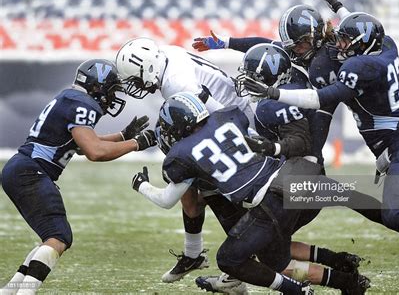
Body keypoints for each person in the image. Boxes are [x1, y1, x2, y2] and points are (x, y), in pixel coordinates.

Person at [241, 12, 399, 280]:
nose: (341, 45)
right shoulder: (381, 48)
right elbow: (368, 33)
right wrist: (225, 42)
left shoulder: (355, 67)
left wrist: (274, 95)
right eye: (340, 39)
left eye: (346, 41)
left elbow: (323, 100)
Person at [131, 92, 378, 294]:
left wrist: (140, 184)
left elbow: (167, 200)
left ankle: (298, 290)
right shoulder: (225, 118)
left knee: (234, 258)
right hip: (296, 179)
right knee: (274, 253)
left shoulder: (182, 156)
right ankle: (347, 277)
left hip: (272, 200)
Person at [0, 59, 157, 294]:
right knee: (58, 236)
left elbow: (82, 145)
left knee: (50, 236)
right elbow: (94, 152)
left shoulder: (71, 98)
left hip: (22, 169)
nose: (113, 96)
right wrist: (136, 143)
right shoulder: (82, 103)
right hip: (32, 172)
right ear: (98, 86)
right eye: (112, 89)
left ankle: (10, 291)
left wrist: (122, 135)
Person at [115, 37, 258, 283]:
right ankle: (194, 254)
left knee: (205, 180)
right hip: (231, 111)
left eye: (136, 79)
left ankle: (245, 254)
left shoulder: (175, 84)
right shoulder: (166, 55)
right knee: (192, 186)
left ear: (148, 68)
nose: (134, 86)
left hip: (237, 116)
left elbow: (218, 117)